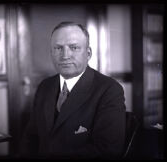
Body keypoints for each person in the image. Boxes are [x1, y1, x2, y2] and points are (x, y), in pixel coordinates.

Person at [20, 21, 126, 159]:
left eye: (74, 47)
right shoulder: (44, 87)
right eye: (58, 48)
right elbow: (31, 138)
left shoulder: (109, 89)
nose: (65, 56)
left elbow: (107, 150)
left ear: (88, 53)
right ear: (51, 53)